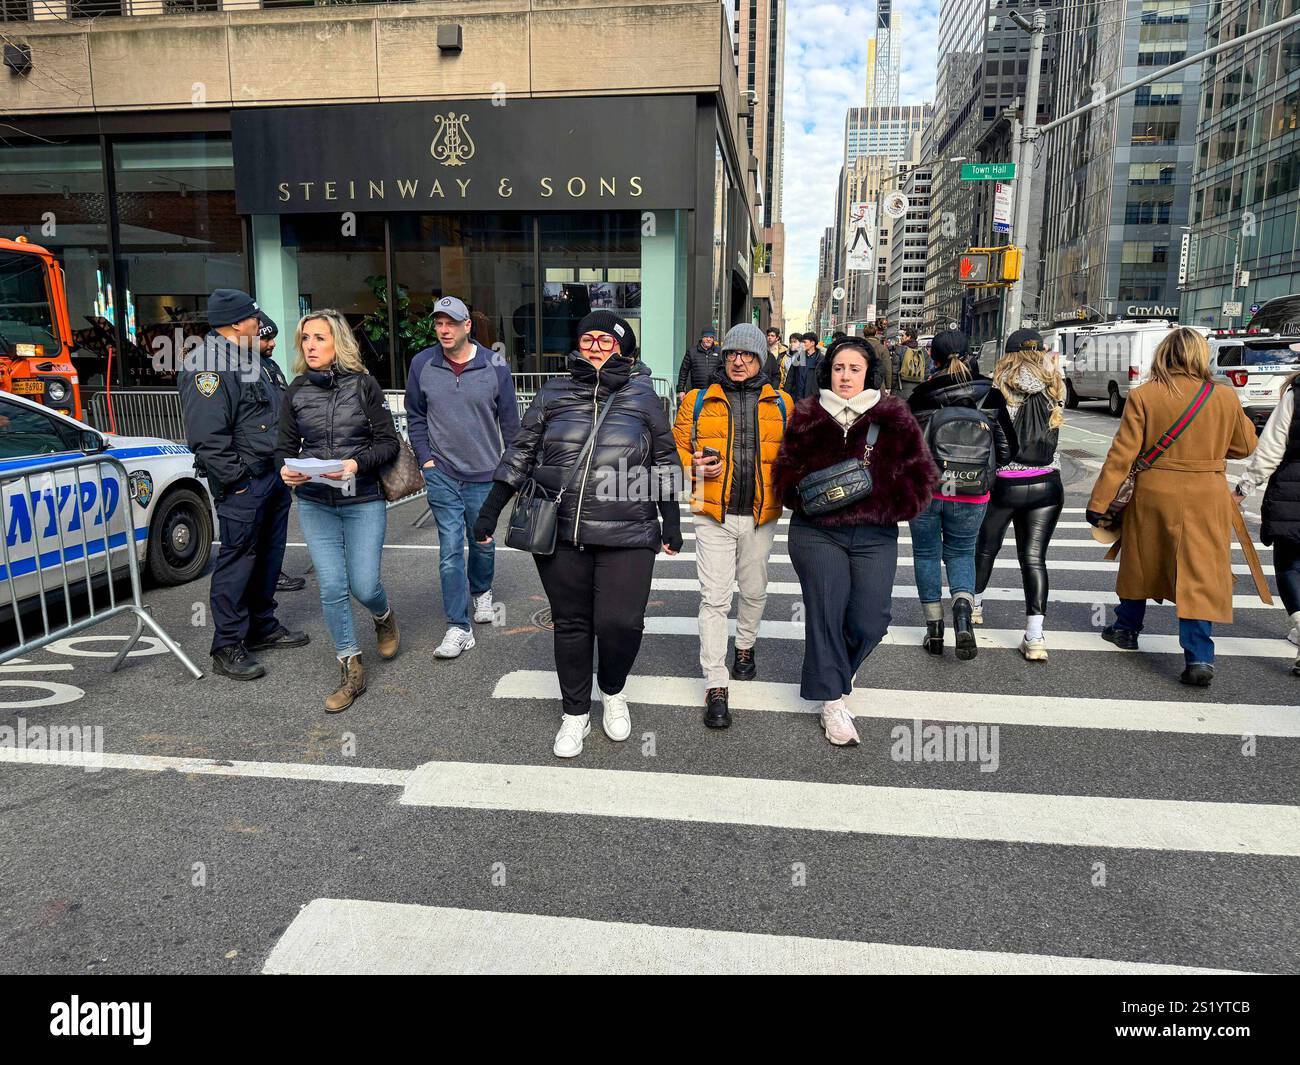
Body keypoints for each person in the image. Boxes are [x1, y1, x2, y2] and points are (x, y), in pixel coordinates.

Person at [472, 311, 684, 758]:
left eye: (606, 340)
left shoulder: (644, 397)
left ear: (624, 349)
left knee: (620, 622)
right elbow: (521, 452)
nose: (594, 347)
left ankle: (612, 689)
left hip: (629, 526)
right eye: (587, 338)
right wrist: (491, 510)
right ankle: (575, 714)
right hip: (561, 527)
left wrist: (671, 519)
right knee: (571, 624)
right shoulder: (553, 392)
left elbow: (664, 459)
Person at [771, 337, 938, 745]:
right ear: (827, 370)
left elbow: (921, 477)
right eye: (838, 368)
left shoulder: (894, 414)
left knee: (871, 619)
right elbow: (784, 475)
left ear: (869, 374)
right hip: (817, 533)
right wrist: (810, 493)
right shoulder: (807, 413)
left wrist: (882, 496)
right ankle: (832, 703)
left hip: (875, 533)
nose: (844, 377)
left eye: (854, 369)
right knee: (825, 613)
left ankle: (838, 668)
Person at [1088, 328, 1258, 686]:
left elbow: (1123, 454)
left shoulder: (1146, 394)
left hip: (1154, 492)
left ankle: (1126, 628)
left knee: (1140, 559)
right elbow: (1244, 447)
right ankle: (1199, 657)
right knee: (1199, 572)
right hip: (1206, 493)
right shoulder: (1223, 396)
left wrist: (1100, 502)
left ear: (1164, 354)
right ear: (1201, 355)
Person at [276, 310, 402, 712]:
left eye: (319, 338)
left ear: (338, 343)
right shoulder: (295, 390)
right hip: (315, 502)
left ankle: (382, 615)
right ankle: (351, 668)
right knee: (331, 587)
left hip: (362, 499)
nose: (310, 346)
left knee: (364, 585)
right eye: (306, 339)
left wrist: (355, 464)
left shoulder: (364, 386)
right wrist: (286, 468)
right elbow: (283, 445)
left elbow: (389, 443)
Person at [179, 290, 308, 680]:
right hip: (244, 483)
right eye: (253, 317)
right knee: (238, 560)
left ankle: (261, 626)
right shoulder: (207, 365)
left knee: (268, 557)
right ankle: (228, 644)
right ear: (238, 323)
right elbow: (208, 438)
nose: (259, 322)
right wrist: (236, 481)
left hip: (271, 475)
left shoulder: (251, 359)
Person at [673, 322, 792, 727]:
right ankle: (715, 681)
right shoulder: (698, 398)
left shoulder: (782, 404)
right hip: (713, 514)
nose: (738, 361)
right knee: (715, 597)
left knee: (755, 591)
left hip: (761, 515)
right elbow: (674, 454)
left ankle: (745, 645)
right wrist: (693, 466)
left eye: (747, 354)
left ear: (761, 358)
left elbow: (797, 456)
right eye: (731, 354)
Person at [405, 295, 520, 660]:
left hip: (485, 473)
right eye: (438, 323)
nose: (443, 330)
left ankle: (482, 589)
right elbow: (415, 415)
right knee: (450, 549)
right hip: (442, 473)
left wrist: (511, 468)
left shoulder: (495, 364)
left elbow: (510, 422)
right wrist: (425, 460)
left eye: (451, 323)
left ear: (467, 326)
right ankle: (458, 626)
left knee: (481, 539)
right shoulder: (422, 363)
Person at [907, 330, 1017, 658]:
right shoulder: (990, 395)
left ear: (933, 357)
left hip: (928, 490)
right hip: (972, 491)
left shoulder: (920, 396)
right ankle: (964, 617)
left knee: (926, 554)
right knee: (962, 553)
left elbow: (907, 448)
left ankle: (935, 630)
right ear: (969, 354)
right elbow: (1009, 449)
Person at [973, 329, 1067, 661]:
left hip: (1004, 483)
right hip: (1047, 484)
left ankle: (975, 606)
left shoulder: (997, 389)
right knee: (1034, 558)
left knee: (986, 547)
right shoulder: (1057, 386)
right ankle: (1035, 636)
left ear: (1008, 354)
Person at [1234, 370, 1300, 676]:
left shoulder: (1294, 395)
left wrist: (1243, 488)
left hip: (1293, 491)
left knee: (1289, 567)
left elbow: (1271, 449)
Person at [255, 316, 308, 596]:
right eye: (266, 338)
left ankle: (274, 573)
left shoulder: (271, 368)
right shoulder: (237, 371)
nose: (272, 343)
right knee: (255, 535)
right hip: (255, 470)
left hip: (278, 464)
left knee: (276, 530)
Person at [676, 327, 721, 401]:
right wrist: (681, 390)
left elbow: (724, 370)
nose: (709, 339)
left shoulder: (719, 351)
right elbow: (684, 371)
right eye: (706, 337)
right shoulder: (692, 352)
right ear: (702, 338)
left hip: (714, 392)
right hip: (697, 392)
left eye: (711, 337)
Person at [788, 332, 823, 399]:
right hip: (797, 398)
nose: (802, 344)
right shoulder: (799, 357)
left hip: (813, 400)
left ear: (812, 343)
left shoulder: (821, 360)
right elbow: (790, 377)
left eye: (804, 342)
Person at [862, 323, 893, 393]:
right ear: (876, 333)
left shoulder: (859, 347)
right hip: (879, 384)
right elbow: (887, 368)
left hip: (861, 383)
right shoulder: (882, 348)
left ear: (864, 334)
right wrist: (888, 386)